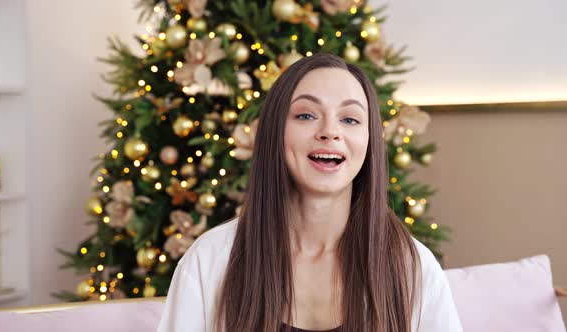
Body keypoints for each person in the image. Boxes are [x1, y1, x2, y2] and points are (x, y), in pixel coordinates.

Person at [157, 53, 463, 332]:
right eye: (306, 115)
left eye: (350, 119)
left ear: (369, 142)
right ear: (275, 132)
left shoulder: (413, 268)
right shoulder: (209, 261)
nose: (330, 132)